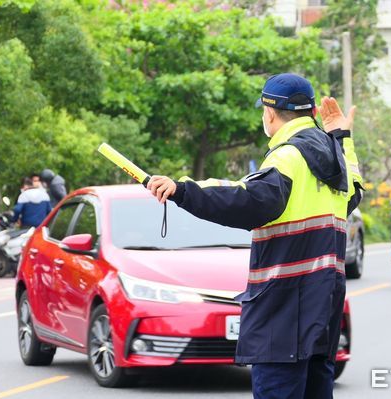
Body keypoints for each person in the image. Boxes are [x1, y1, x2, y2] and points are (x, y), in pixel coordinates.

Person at [147, 73, 363, 399]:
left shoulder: (288, 157)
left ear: (270, 113)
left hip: (283, 313)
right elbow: (354, 194)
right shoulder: (336, 158)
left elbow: (247, 202)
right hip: (323, 312)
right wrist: (342, 137)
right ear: (313, 113)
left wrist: (182, 191)